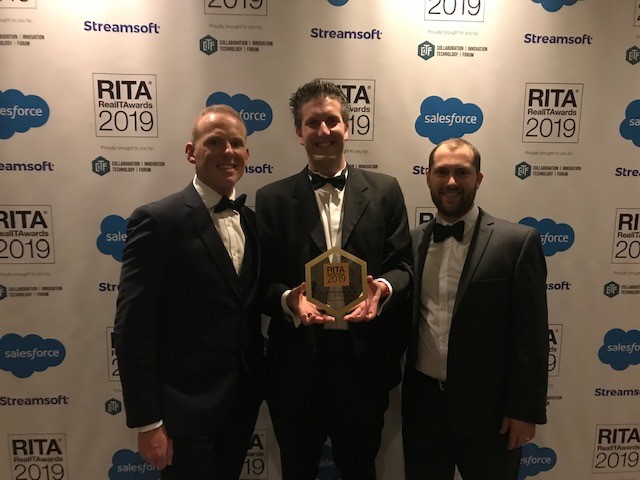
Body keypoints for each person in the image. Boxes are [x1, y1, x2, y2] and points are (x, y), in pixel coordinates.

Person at [255, 79, 412, 480]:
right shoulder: (271, 199)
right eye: (312, 124)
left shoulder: (385, 190)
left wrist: (383, 290)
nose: (323, 132)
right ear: (298, 132)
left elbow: (404, 266)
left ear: (348, 126)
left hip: (363, 367)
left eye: (331, 121)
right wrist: (290, 300)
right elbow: (260, 281)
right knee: (297, 470)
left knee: (361, 470)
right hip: (296, 369)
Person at [113, 105, 264, 480]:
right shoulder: (157, 221)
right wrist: (148, 422)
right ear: (191, 152)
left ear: (247, 154)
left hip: (242, 403)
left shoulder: (252, 220)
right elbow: (133, 328)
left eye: (236, 143)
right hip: (182, 413)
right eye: (214, 142)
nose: (228, 151)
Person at [402, 137, 549, 480]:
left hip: (492, 414)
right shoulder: (411, 241)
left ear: (478, 178)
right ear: (428, 177)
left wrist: (524, 411)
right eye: (442, 172)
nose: (451, 182)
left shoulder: (517, 243)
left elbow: (532, 335)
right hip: (423, 409)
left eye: (462, 172)